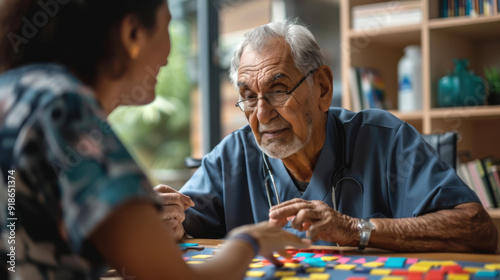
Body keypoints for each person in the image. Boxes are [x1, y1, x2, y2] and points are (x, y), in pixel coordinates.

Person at [0, 1, 311, 279]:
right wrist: (250, 241)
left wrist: (134, 212)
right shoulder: (65, 109)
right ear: (133, 34)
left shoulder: (16, 93)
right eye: (168, 22)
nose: (169, 53)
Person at [156, 19, 498, 253]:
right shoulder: (233, 155)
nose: (261, 114)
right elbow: (181, 226)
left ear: (322, 88)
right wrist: (166, 221)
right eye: (248, 96)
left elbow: (478, 228)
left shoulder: (384, 138)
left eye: (277, 90)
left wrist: (356, 229)